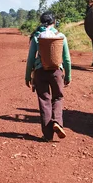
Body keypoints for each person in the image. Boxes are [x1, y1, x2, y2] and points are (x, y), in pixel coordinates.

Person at [25, 11, 72, 141]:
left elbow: (30, 59)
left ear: (41, 22)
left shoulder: (36, 36)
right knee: (57, 98)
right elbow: (67, 59)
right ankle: (57, 121)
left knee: (44, 100)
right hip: (56, 72)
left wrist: (28, 75)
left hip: (40, 72)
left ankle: (47, 135)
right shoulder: (61, 36)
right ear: (54, 22)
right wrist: (68, 75)